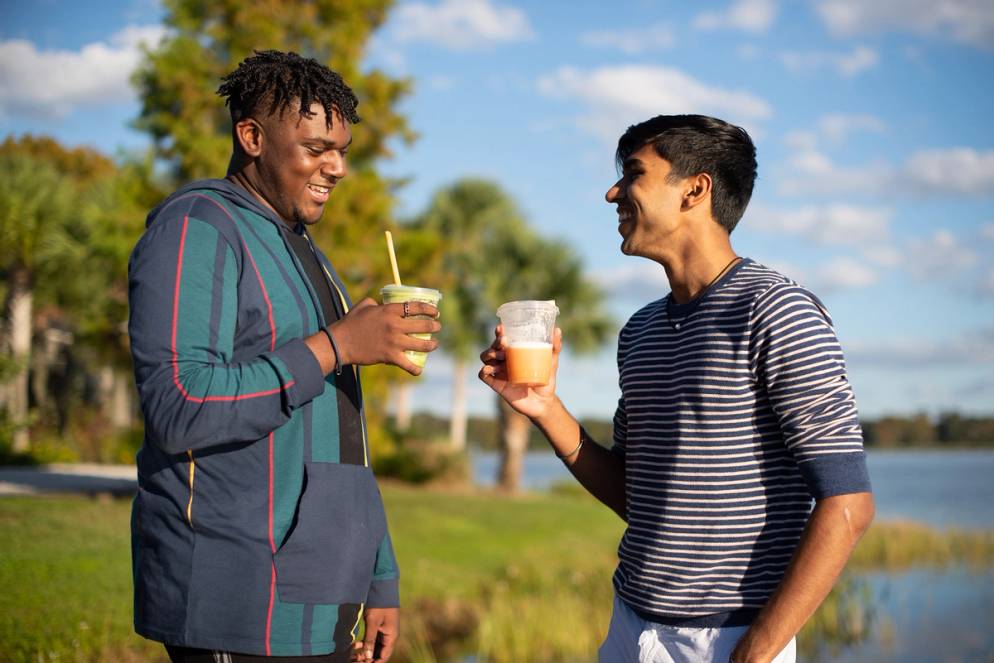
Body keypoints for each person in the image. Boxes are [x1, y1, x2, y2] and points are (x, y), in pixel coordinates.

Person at [479, 114, 874, 663]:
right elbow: (639, 501)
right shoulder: (640, 332)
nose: (612, 192)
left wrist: (757, 650)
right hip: (630, 629)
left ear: (695, 189)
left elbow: (848, 504)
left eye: (633, 174)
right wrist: (545, 408)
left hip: (729, 639)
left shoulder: (776, 312)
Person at [128, 50, 439, 663]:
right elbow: (179, 404)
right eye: (317, 147)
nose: (338, 167)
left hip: (319, 598)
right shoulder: (197, 226)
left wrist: (378, 576)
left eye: (343, 150)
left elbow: (344, 433)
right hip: (237, 601)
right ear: (251, 137)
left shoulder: (305, 249)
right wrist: (335, 345)